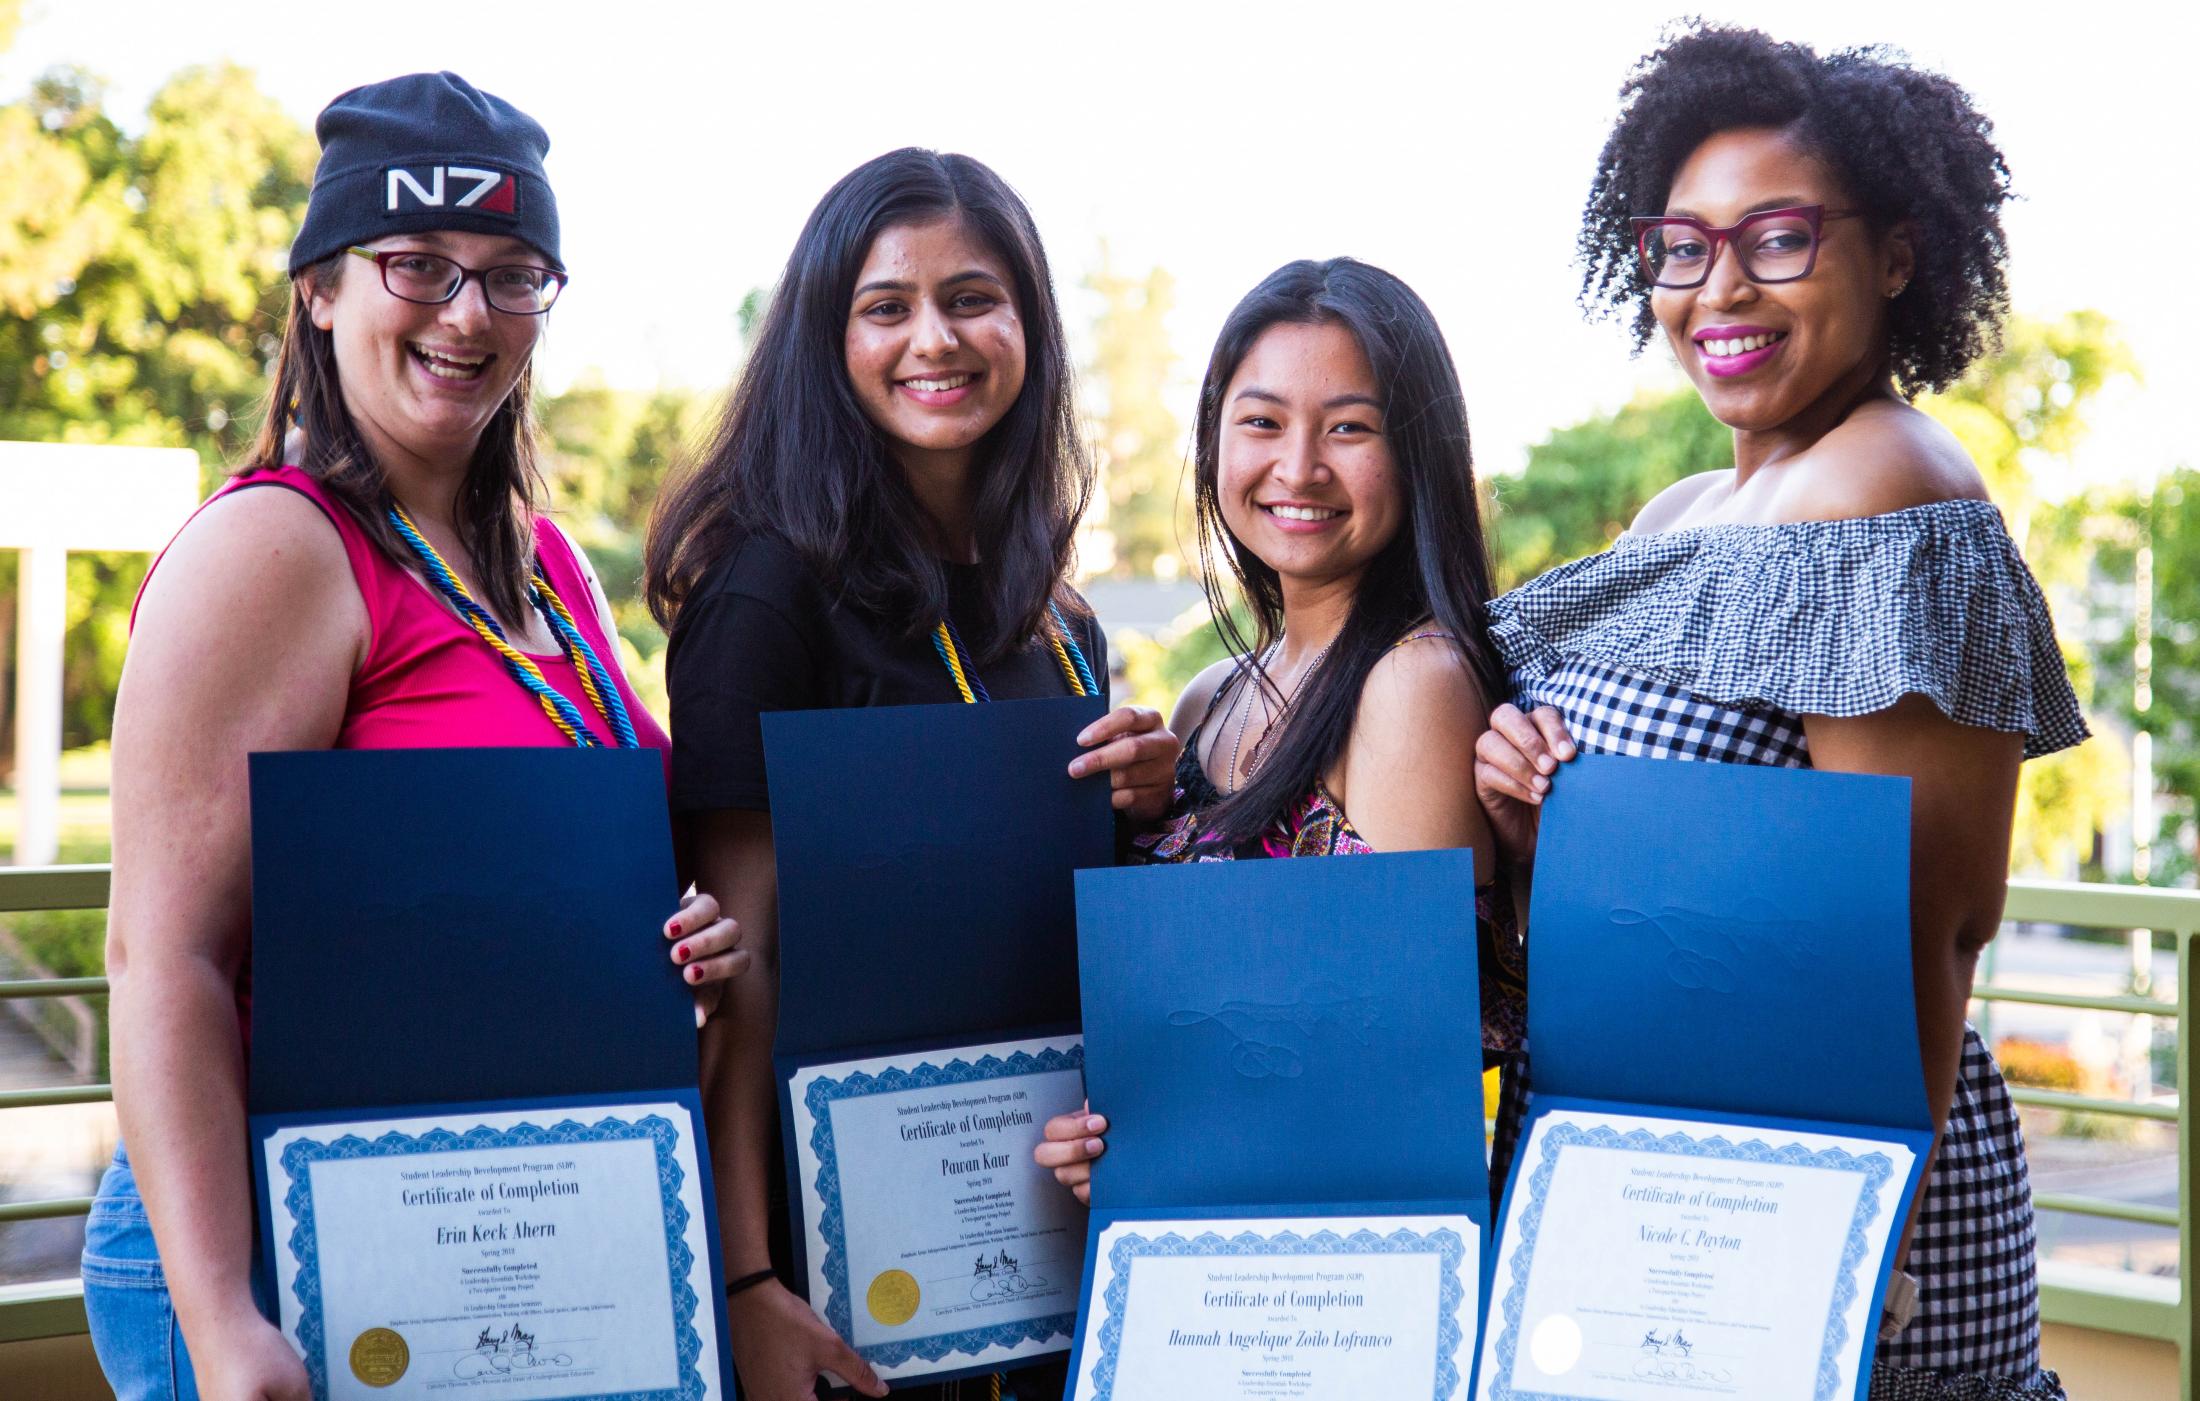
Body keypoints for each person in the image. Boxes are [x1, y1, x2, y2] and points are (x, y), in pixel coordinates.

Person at [84, 73, 739, 1401]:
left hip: (493, 1223)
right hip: (278, 1242)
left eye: (513, 276)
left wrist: (683, 933)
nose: (467, 313)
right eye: (418, 265)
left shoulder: (549, 562)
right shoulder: (274, 550)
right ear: (319, 287)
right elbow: (164, 955)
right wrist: (219, 1317)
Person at [1471, 26, 2085, 1397]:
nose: (1719, 287)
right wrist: (1529, 797)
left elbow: (1928, 942)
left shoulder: (1892, 493)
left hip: (1825, 1236)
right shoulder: (1689, 508)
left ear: (1899, 255)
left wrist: (1861, 1286)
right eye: (1681, 246)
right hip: (1671, 1192)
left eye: (1780, 237)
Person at [645, 148, 1179, 1401]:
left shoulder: (1059, 617)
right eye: (885, 306)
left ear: (1031, 329)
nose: (932, 338)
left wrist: (1144, 798)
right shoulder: (764, 590)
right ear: (826, 340)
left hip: (1042, 1233)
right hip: (831, 1255)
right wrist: (742, 1283)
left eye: (972, 297)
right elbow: (740, 963)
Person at [1034, 257, 1523, 1203]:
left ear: (1417, 452)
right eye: (1261, 421)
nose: (1298, 468)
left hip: (1332, 1285)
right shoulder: (1208, 699)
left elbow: (1399, 1072)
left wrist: (1172, 1149)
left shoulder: (1413, 683)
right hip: (1191, 1252)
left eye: (1350, 428)